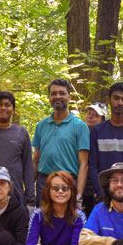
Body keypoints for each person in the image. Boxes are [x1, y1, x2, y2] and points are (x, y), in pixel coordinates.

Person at [32, 79, 90, 207]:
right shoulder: (41, 126)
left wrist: (78, 196)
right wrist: (29, 192)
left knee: (68, 224)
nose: (58, 97)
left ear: (69, 96)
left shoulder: (80, 126)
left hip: (68, 184)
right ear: (49, 98)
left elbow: (84, 164)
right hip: (44, 183)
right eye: (54, 93)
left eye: (62, 93)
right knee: (42, 222)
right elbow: (36, 160)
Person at [81, 102, 106, 217]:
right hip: (80, 188)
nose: (90, 116)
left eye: (95, 115)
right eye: (89, 113)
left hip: (97, 190)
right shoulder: (80, 134)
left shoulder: (104, 138)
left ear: (102, 119)